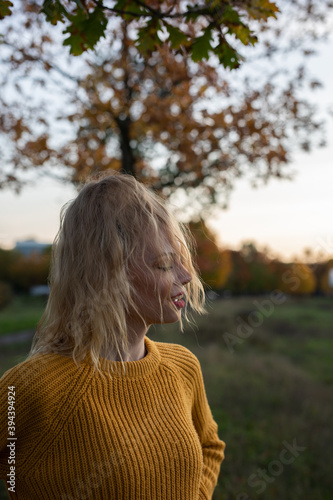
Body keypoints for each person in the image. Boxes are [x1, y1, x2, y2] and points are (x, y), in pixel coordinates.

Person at [0, 171, 225, 499]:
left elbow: (210, 446)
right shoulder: (31, 388)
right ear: (107, 274)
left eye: (182, 262)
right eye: (164, 265)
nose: (187, 276)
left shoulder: (183, 367)